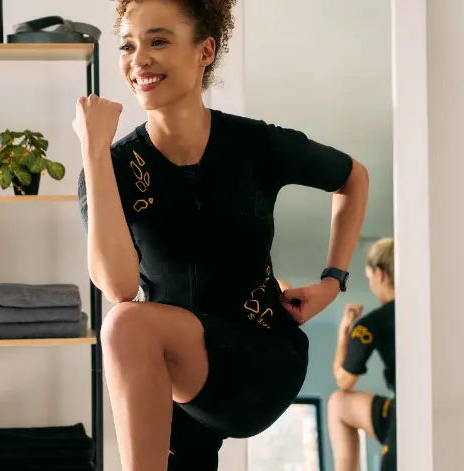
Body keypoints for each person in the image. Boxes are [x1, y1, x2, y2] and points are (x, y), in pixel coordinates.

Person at [73, 0, 370, 469]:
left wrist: (333, 281)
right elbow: (119, 286)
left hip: (260, 357)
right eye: (128, 45)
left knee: (125, 325)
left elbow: (353, 178)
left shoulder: (256, 145)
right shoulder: (111, 167)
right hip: (180, 377)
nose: (139, 59)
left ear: (205, 51)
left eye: (159, 40)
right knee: (128, 322)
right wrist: (94, 152)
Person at [328, 237, 396, 471]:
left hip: (406, 416)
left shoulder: (371, 325)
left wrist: (344, 330)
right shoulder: (436, 310)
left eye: (369, 278)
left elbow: (343, 380)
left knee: (337, 402)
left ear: (379, 273)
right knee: (340, 404)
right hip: (439, 408)